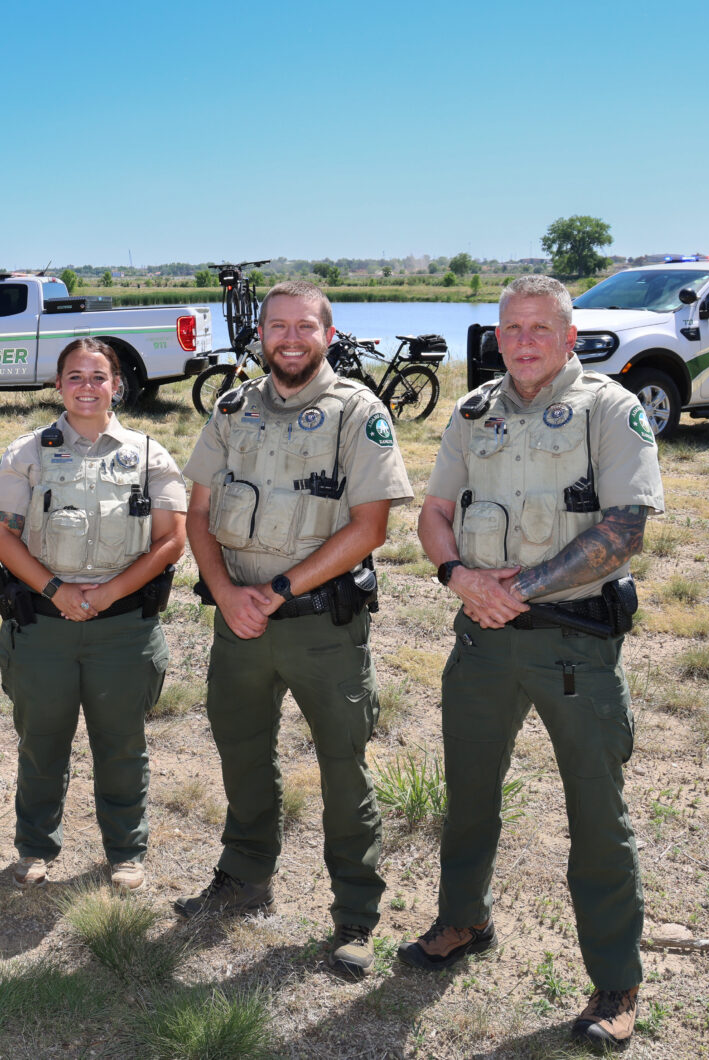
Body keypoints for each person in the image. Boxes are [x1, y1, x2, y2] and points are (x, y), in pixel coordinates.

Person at [398, 275, 663, 1049]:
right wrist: (457, 577)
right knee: (469, 792)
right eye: (511, 327)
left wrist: (521, 590)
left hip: (575, 641)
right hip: (482, 639)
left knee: (595, 814)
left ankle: (616, 979)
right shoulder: (472, 410)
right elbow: (435, 511)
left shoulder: (610, 410)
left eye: (539, 327)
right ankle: (462, 920)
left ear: (569, 335)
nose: (522, 340)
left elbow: (626, 525)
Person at [177, 280, 411, 977]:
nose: (289, 338)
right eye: (276, 326)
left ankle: (355, 917)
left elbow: (372, 526)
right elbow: (198, 514)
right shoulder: (230, 409)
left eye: (303, 326)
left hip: (320, 628)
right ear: (260, 336)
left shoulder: (357, 412)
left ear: (327, 335)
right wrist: (226, 593)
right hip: (238, 624)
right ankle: (244, 879)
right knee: (242, 754)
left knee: (344, 768)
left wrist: (275, 591)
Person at [0, 338, 187, 892]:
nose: (87, 387)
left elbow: (171, 541)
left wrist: (106, 593)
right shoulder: (26, 452)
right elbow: (0, 534)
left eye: (99, 376)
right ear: (58, 386)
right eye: (75, 377)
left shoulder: (150, 454)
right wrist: (55, 590)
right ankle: (34, 847)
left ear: (116, 385)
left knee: (122, 745)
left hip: (122, 628)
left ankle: (125, 851)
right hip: (44, 626)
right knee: (41, 742)